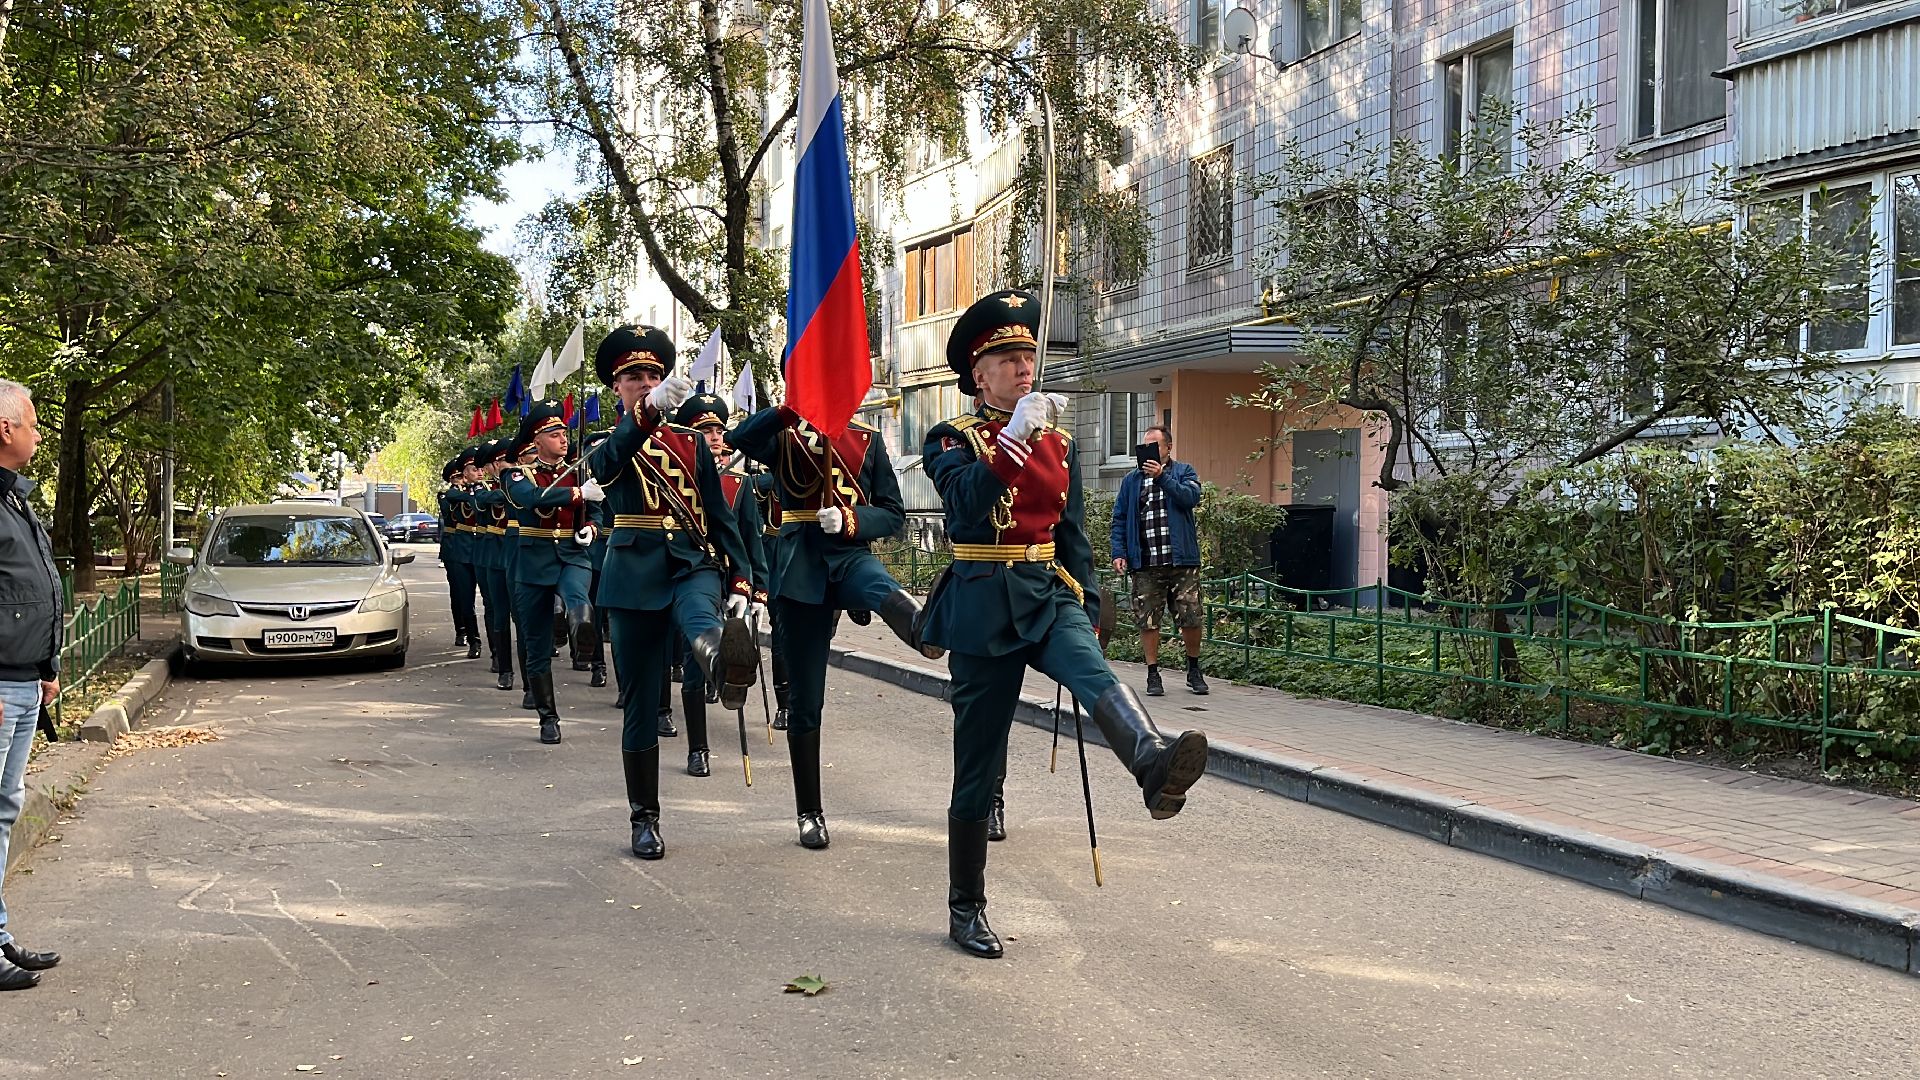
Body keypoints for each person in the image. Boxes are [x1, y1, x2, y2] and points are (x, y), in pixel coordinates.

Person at [920, 290, 1211, 959]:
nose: (1025, 367)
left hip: (1048, 591)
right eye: (1008, 358)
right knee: (976, 765)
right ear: (977, 374)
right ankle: (966, 906)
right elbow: (966, 509)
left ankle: (1151, 762)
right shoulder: (950, 439)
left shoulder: (1061, 441)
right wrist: (1013, 439)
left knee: (1095, 673)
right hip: (981, 602)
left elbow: (1071, 532)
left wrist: (1089, 601)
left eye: (1029, 356)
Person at [730, 389, 940, 851]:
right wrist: (789, 409)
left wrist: (849, 520)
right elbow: (738, 437)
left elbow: (891, 513)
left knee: (879, 586)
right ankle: (810, 811)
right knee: (807, 700)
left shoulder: (866, 439)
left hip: (848, 554)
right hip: (799, 565)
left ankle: (923, 630)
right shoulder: (782, 435)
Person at [584, 326, 760, 860]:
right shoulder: (604, 445)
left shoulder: (690, 445)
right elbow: (611, 462)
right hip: (634, 572)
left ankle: (724, 663)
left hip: (691, 561)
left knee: (700, 622)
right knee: (639, 703)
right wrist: (646, 415)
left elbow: (719, 512)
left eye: (653, 376)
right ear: (617, 388)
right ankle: (645, 818)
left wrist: (740, 579)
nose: (645, 383)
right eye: (634, 378)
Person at [0, 379, 63, 991]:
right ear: (5, 429)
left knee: (2, 813)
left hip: (21, 682)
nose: (40, 434)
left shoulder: (15, 498)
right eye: (34, 424)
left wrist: (45, 667)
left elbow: (29, 585)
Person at [670, 393, 769, 777]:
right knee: (679, 658)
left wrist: (754, 589)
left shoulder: (738, 484)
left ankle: (699, 748)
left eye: (717, 430)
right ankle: (680, 729)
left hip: (718, 579)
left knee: (697, 661)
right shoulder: (674, 479)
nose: (713, 437)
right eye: (704, 430)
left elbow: (750, 539)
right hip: (673, 576)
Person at [502, 401, 605, 744]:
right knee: (536, 644)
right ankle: (548, 716)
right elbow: (532, 499)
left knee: (578, 596)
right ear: (537, 439)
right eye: (555, 433)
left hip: (572, 554)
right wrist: (576, 494)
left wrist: (591, 527)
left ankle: (582, 633)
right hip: (534, 561)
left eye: (563, 432)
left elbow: (595, 510)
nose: (563, 438)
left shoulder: (579, 471)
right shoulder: (517, 474)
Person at [1108, 424, 1209, 696]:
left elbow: (1190, 497)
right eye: (1144, 446)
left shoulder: (1183, 472)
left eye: (1154, 446)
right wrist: (1119, 552)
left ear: (1168, 448)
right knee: (1147, 620)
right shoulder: (1132, 480)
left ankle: (1194, 669)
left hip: (1182, 561)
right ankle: (1153, 673)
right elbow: (1119, 518)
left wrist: (1162, 476)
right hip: (1146, 562)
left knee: (1191, 617)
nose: (1148, 452)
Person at [437, 455, 481, 657]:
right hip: (457, 549)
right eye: (458, 477)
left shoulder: (480, 490)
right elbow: (451, 506)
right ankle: (467, 634)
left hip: (480, 547)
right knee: (462, 595)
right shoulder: (449, 495)